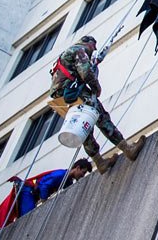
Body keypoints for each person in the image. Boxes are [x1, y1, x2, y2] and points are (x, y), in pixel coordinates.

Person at [49, 36, 145, 173]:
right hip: (76, 92)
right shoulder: (79, 50)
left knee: (84, 126)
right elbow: (86, 73)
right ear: (88, 43)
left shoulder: (65, 56)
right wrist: (96, 87)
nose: (93, 50)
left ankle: (99, 162)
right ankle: (128, 149)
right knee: (101, 117)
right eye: (93, 47)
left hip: (63, 97)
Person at [0, 159, 92, 228]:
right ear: (77, 168)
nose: (82, 175)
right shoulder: (61, 175)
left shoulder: (68, 180)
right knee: (27, 218)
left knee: (26, 219)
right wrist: (44, 201)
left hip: (32, 195)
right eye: (82, 172)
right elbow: (44, 185)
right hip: (28, 191)